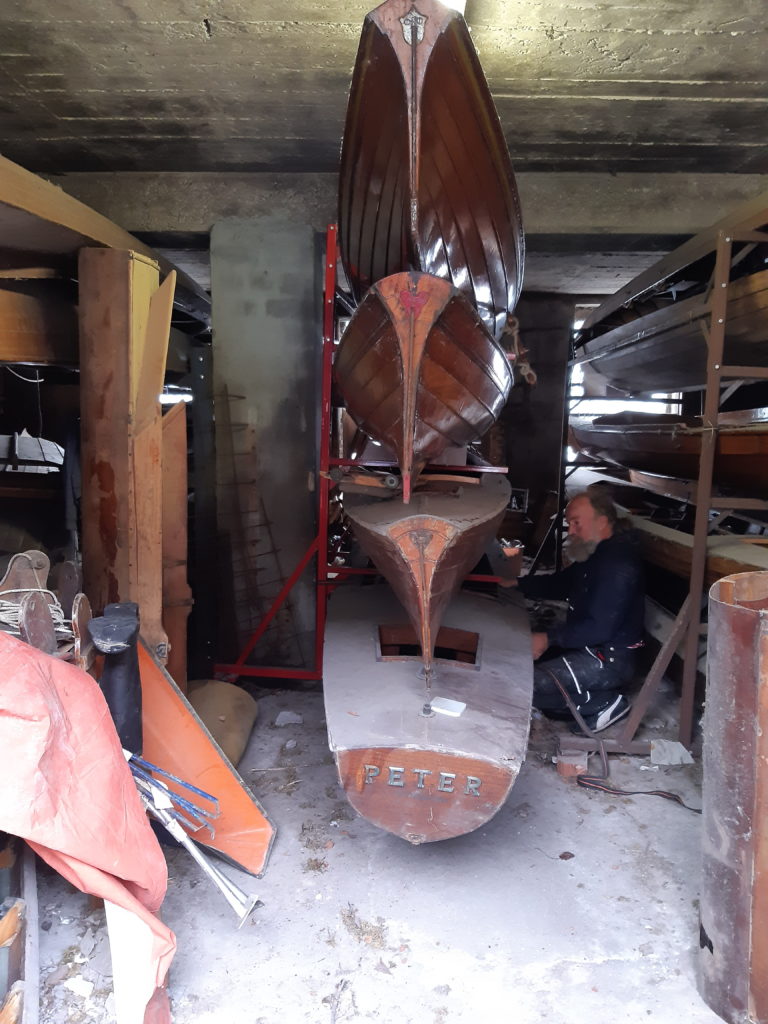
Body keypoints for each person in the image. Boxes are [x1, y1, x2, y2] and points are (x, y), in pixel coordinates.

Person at [504, 488, 644, 733]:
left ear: (601, 522)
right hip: (588, 646)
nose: (571, 531)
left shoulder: (617, 565)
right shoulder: (597, 554)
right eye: (570, 524)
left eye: (576, 523)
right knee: (519, 667)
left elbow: (599, 627)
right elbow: (561, 583)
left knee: (525, 687)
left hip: (609, 660)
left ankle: (606, 703)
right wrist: (517, 584)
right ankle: (585, 698)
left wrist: (548, 638)